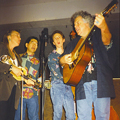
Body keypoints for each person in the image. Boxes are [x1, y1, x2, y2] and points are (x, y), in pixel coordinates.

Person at [59, 11, 117, 120]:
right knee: (82, 117)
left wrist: (103, 27)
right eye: (74, 24)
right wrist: (63, 60)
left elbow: (107, 41)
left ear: (87, 23)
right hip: (81, 84)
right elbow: (61, 62)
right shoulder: (73, 43)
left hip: (101, 82)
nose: (75, 26)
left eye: (78, 23)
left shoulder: (99, 35)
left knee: (103, 117)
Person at [48, 30, 75, 120]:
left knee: (71, 115)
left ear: (63, 40)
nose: (57, 39)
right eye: (55, 38)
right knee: (57, 113)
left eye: (59, 37)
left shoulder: (69, 54)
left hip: (68, 85)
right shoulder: (51, 56)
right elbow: (56, 71)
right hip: (57, 84)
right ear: (53, 42)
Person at [14, 36, 40, 120]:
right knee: (18, 117)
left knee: (34, 117)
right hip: (19, 92)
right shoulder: (18, 57)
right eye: (32, 42)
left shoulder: (39, 61)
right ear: (26, 44)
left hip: (32, 93)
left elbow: (40, 77)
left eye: (36, 44)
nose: (34, 45)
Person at [0, 30, 23, 120]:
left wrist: (25, 80)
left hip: (14, 90)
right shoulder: (1, 47)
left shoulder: (17, 56)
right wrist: (10, 68)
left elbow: (18, 73)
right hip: (3, 90)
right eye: (17, 35)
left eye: (20, 36)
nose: (20, 38)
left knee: (10, 117)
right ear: (9, 37)